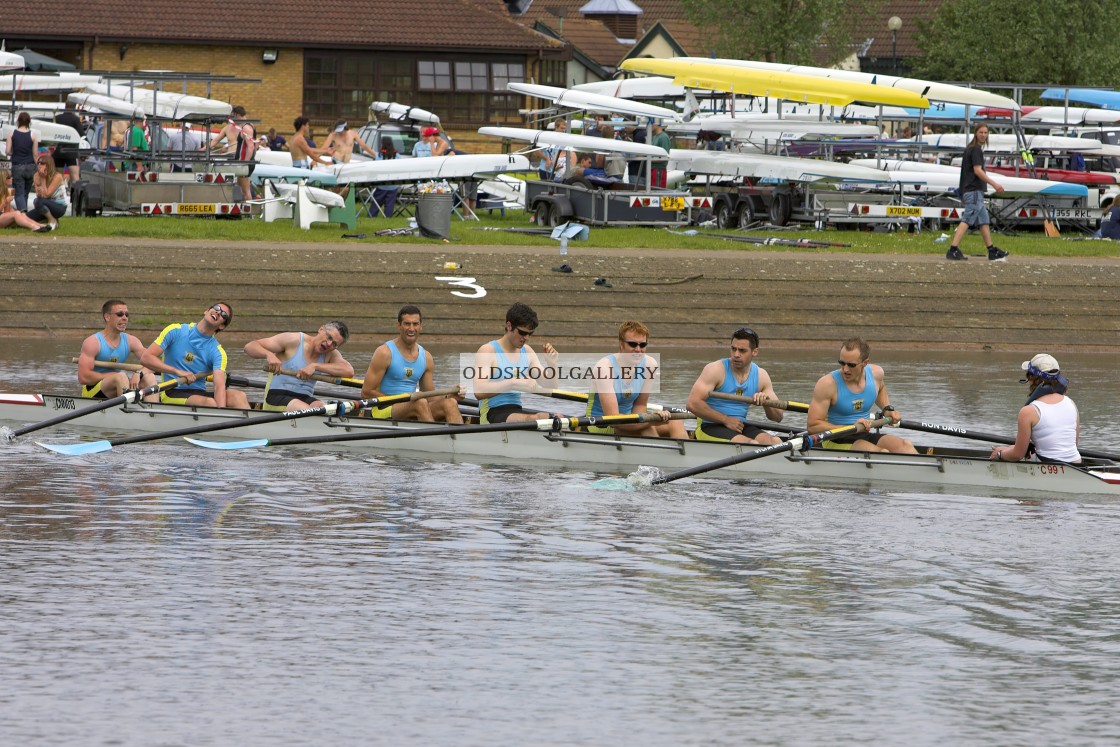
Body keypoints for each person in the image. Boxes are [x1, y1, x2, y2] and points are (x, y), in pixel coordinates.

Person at [807, 337, 916, 453]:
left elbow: (880, 388)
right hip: (835, 439)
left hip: (863, 434)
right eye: (842, 363)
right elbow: (813, 426)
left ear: (865, 363)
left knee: (906, 446)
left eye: (851, 365)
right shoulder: (827, 384)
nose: (845, 369)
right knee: (881, 452)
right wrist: (851, 428)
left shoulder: (876, 374)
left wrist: (887, 409)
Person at [361, 305, 463, 423]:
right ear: (398, 326)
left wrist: (450, 396)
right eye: (407, 324)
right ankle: (434, 438)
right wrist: (402, 403)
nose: (411, 328)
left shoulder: (426, 357)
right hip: (384, 409)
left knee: (450, 404)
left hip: (413, 406)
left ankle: (459, 439)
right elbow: (366, 392)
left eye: (415, 324)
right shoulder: (384, 353)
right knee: (420, 402)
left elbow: (430, 396)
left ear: (420, 327)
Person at [140, 302, 250, 409]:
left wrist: (221, 411)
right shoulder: (175, 331)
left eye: (223, 314)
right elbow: (146, 358)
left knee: (239, 396)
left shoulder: (218, 352)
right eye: (217, 308)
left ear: (221, 326)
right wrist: (177, 371)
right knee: (210, 403)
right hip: (172, 391)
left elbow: (219, 386)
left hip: (199, 393)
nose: (218, 312)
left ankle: (249, 426)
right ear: (206, 311)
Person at [586, 321, 685, 438]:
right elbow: (612, 419)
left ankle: (687, 454)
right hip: (601, 424)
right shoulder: (604, 368)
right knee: (647, 429)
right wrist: (649, 421)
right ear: (621, 344)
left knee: (675, 421)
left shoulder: (649, 364)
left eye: (642, 345)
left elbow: (640, 405)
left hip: (632, 420)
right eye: (632, 344)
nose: (638, 349)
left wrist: (648, 419)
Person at [686, 327, 784, 444]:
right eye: (733, 349)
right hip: (709, 426)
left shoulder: (761, 376)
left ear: (755, 352)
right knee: (752, 444)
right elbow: (692, 404)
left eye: (742, 351)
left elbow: (778, 417)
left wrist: (766, 402)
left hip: (739, 425)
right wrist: (726, 420)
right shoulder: (715, 370)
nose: (736, 355)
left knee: (775, 442)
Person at [473, 302, 561, 424]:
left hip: (515, 410)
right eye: (522, 332)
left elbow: (551, 387)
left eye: (530, 333)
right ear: (509, 326)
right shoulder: (488, 350)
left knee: (558, 417)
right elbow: (479, 391)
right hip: (491, 413)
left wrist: (552, 364)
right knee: (539, 419)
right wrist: (513, 383)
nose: (526, 338)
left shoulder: (527, 352)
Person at [244, 321, 354, 411]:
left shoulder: (331, 354)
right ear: (321, 329)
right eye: (329, 337)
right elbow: (250, 347)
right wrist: (268, 355)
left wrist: (315, 366)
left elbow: (349, 371)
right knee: (308, 411)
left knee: (324, 409)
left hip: (304, 398)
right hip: (276, 396)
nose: (329, 344)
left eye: (334, 344)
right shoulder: (293, 340)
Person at [991, 354, 1080, 464]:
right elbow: (1072, 445)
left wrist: (1000, 454)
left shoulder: (1028, 411)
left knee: (1007, 452)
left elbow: (1017, 455)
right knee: (1011, 448)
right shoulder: (1071, 403)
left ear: (1031, 378)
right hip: (1076, 463)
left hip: (1049, 469)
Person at [947, 123, 1009, 262]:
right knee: (967, 219)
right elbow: (977, 170)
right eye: (981, 132)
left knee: (983, 221)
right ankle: (953, 249)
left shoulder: (970, 149)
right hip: (974, 191)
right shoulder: (976, 150)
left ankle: (991, 250)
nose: (983, 135)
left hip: (973, 191)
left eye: (986, 133)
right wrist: (994, 184)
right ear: (976, 133)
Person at [77, 299, 158, 401]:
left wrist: (139, 373)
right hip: (93, 391)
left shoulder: (131, 341)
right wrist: (112, 375)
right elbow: (83, 377)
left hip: (119, 385)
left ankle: (152, 413)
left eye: (126, 314)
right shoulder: (92, 342)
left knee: (149, 377)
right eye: (120, 314)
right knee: (120, 377)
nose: (124, 318)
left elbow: (154, 363)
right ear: (107, 317)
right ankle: (129, 411)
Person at [210, 106, 256, 200]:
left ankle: (249, 212)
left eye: (233, 116)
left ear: (238, 115)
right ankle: (241, 209)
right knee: (239, 187)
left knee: (245, 190)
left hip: (244, 162)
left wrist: (245, 163)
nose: (231, 119)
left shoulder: (247, 127)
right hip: (241, 161)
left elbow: (251, 147)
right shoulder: (244, 127)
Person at [5, 112, 38, 211]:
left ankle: (23, 212)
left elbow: (7, 151)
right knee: (25, 193)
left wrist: (12, 152)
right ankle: (24, 214)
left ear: (18, 121)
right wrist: (37, 168)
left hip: (17, 166)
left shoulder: (12, 134)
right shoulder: (33, 135)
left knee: (19, 193)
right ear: (29, 122)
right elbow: (35, 154)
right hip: (30, 166)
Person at [26, 154, 67, 232]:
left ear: (49, 165)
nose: (39, 165)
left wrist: (43, 179)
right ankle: (44, 222)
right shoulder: (36, 176)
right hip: (44, 206)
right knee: (26, 218)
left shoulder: (57, 176)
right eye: (38, 163)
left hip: (59, 207)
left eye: (42, 163)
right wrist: (39, 191)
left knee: (38, 201)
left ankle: (52, 220)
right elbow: (39, 195)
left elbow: (47, 194)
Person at [53, 102, 86, 184]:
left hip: (58, 151)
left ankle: (60, 194)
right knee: (75, 177)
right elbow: (82, 135)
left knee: (58, 177)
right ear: (74, 107)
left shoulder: (57, 118)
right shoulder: (75, 119)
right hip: (71, 151)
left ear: (65, 106)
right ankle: (75, 194)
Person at [370, 136, 401, 217]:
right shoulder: (397, 156)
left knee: (376, 203)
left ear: (382, 144)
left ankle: (372, 215)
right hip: (393, 186)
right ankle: (388, 216)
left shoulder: (379, 156)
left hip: (381, 185)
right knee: (390, 204)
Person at [650, 120, 671, 189]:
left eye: (652, 123)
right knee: (652, 191)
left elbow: (665, 157)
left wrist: (650, 159)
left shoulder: (663, 137)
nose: (650, 125)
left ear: (657, 124)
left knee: (657, 192)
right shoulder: (655, 136)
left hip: (659, 169)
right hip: (653, 169)